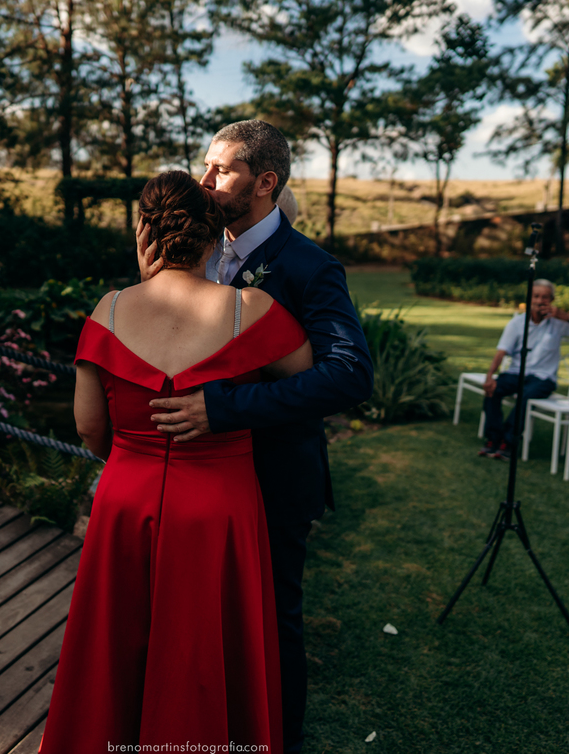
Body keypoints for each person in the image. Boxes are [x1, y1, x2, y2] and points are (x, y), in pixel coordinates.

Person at [42, 171, 313, 750]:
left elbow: (91, 429)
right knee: (205, 653)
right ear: (216, 233)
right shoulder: (251, 310)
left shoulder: (109, 309)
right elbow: (307, 384)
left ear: (145, 231)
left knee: (114, 651)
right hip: (219, 505)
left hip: (125, 497)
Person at [136, 120, 373, 752]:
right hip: (193, 480)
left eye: (221, 170)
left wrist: (226, 408)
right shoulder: (194, 250)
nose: (203, 179)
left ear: (265, 182)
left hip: (271, 476)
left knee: (270, 624)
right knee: (197, 622)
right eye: (204, 166)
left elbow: (349, 377)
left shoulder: (309, 268)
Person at [477, 279, 569, 460]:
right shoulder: (517, 323)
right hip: (517, 372)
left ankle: (508, 442)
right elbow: (501, 351)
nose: (539, 301)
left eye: (545, 297)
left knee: (526, 395)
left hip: (543, 378)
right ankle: (493, 438)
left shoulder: (558, 323)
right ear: (529, 298)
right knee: (493, 390)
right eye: (536, 296)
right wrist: (490, 376)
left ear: (552, 300)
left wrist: (564, 316)